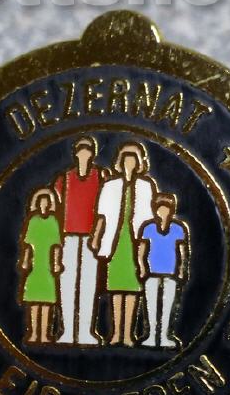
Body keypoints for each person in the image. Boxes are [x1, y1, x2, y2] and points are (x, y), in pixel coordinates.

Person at [91, 141, 157, 346]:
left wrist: (148, 243)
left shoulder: (146, 186)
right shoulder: (110, 185)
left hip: (136, 242)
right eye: (126, 160)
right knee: (115, 288)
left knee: (133, 289)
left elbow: (150, 218)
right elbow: (101, 216)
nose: (129, 163)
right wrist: (96, 237)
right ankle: (115, 333)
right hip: (115, 243)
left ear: (138, 163)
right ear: (120, 162)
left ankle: (128, 334)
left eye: (133, 160)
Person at [51, 136, 104, 345]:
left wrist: (98, 236)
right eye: (81, 151)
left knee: (89, 283)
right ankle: (66, 331)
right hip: (68, 237)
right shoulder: (63, 180)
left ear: (92, 154)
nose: (84, 155)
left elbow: (104, 212)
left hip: (91, 238)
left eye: (87, 151)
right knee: (67, 283)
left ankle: (85, 331)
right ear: (76, 154)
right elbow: (56, 210)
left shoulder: (101, 177)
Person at [138, 193, 189, 349]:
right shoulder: (148, 228)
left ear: (171, 210)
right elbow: (141, 250)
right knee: (151, 305)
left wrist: (181, 269)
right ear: (156, 210)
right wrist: (142, 267)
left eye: (166, 209)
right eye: (160, 209)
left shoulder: (178, 228)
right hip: (151, 273)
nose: (163, 212)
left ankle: (165, 336)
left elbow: (182, 252)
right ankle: (151, 336)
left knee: (167, 306)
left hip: (170, 274)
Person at [18, 188, 63, 344]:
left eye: (46, 203)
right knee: (34, 301)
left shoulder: (53, 222)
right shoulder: (33, 221)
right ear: (37, 204)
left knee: (46, 302)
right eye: (41, 203)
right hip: (35, 266)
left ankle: (44, 334)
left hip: (47, 266)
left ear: (49, 205)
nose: (43, 206)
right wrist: (25, 260)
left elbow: (56, 246)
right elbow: (28, 245)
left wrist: (56, 263)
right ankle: (33, 333)